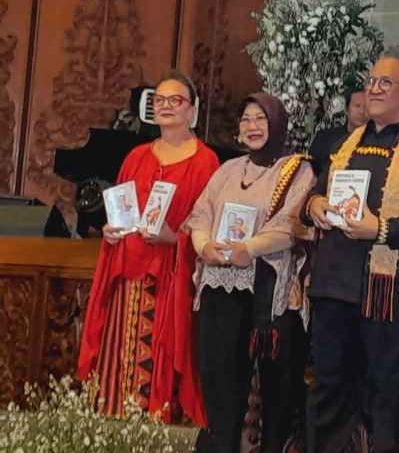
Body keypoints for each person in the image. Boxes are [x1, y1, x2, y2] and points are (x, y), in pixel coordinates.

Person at [303, 51, 399, 453]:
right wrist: (315, 204)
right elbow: (319, 191)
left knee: (387, 394)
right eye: (371, 81)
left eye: (385, 83)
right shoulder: (346, 143)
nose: (374, 89)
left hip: (386, 292)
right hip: (335, 284)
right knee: (328, 389)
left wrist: (382, 229)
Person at [78, 70, 219, 424]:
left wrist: (175, 238)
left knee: (160, 367)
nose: (166, 106)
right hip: (126, 277)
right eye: (159, 100)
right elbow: (119, 214)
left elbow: (208, 226)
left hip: (172, 282)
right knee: (116, 367)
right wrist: (110, 230)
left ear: (192, 111)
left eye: (176, 101)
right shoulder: (136, 157)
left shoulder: (206, 162)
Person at [188, 92, 315, 452]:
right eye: (246, 119)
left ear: (276, 123)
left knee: (275, 391)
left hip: (267, 294)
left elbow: (291, 225)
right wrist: (204, 246)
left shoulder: (297, 170)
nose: (252, 126)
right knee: (219, 380)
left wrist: (249, 250)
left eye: (260, 118)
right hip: (219, 285)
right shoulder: (228, 169)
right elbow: (201, 215)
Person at [309, 86, 368, 175]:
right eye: (357, 106)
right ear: (347, 110)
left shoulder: (375, 143)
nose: (362, 111)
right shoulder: (324, 138)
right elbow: (311, 170)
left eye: (367, 108)